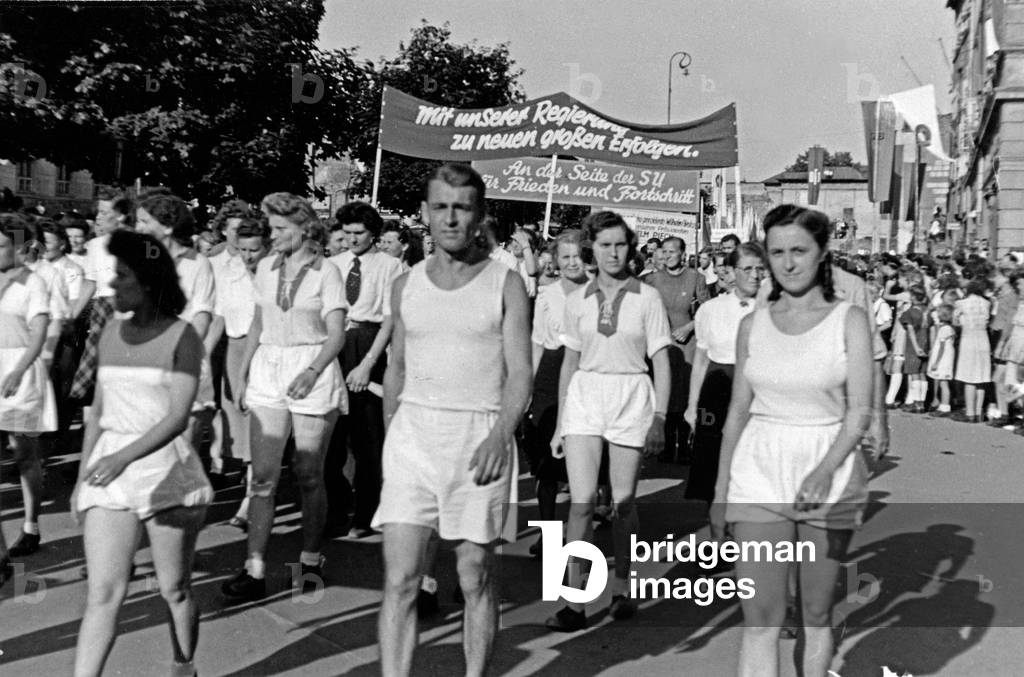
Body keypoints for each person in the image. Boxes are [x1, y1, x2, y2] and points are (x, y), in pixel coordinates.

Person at [374, 164, 531, 677]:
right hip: (413, 439)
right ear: (424, 213)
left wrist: (500, 435)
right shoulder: (405, 284)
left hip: (479, 437)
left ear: (479, 214)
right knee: (400, 580)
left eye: (461, 208)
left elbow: (520, 373)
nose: (450, 218)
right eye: (440, 207)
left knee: (473, 575)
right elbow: (396, 366)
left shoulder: (506, 284)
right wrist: (392, 436)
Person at [713, 204, 873, 677]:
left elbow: (858, 412)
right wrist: (722, 490)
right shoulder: (752, 325)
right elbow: (737, 411)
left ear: (822, 253)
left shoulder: (849, 320)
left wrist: (824, 472)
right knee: (760, 617)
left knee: (815, 612)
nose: (787, 263)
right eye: (777, 252)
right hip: (759, 467)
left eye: (799, 251)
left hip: (828, 464)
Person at [73, 230, 212, 677]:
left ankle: (183, 667)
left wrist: (122, 458)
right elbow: (98, 412)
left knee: (174, 588)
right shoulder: (111, 332)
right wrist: (82, 477)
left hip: (165, 469)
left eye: (123, 276)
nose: (112, 284)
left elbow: (177, 417)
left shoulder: (183, 336)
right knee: (103, 593)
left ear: (150, 282)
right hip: (109, 471)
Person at [547, 210, 671, 631]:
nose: (613, 253)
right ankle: (574, 602)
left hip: (631, 394)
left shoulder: (647, 298)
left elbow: (661, 360)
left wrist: (659, 417)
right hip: (586, 395)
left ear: (630, 248)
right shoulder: (576, 300)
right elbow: (569, 362)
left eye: (620, 244)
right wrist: (561, 422)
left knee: (622, 503)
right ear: (592, 250)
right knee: (581, 503)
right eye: (604, 245)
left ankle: (622, 587)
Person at [221, 192, 347, 601]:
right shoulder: (265, 268)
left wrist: (312, 371)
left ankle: (310, 561)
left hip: (312, 366)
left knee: (308, 473)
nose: (271, 236)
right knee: (262, 477)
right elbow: (258, 324)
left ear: (304, 228)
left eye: (279, 229)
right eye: (269, 228)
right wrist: (242, 374)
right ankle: (254, 569)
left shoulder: (327, 271)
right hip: (268, 368)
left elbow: (337, 335)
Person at [326, 201, 404, 538]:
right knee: (332, 434)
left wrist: (367, 363)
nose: (353, 239)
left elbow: (389, 319)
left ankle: (365, 513)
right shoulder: (332, 264)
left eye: (359, 233)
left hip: (368, 343)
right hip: (335, 342)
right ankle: (336, 507)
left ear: (373, 233)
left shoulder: (390, 266)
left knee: (366, 435)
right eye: (347, 233)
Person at [134, 192, 219, 472]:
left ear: (168, 226)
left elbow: (203, 314)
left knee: (183, 455)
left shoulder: (198, 263)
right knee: (149, 456)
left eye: (145, 221)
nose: (138, 228)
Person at [683, 242, 764, 505]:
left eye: (760, 269)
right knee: (713, 460)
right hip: (717, 388)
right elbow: (701, 359)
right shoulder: (711, 310)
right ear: (731, 271)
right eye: (747, 269)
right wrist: (692, 406)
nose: (755, 275)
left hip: (756, 390)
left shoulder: (773, 308)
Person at [524, 229, 589, 556]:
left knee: (583, 465)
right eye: (565, 257)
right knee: (546, 465)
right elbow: (537, 342)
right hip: (550, 375)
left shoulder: (598, 291)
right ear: (556, 261)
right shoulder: (546, 294)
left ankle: (581, 538)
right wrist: (529, 388)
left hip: (587, 372)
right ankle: (548, 535)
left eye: (577, 255)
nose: (572, 262)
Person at [0, 214, 58, 560]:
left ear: (21, 248)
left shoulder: (33, 282)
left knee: (23, 453)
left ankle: (31, 526)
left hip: (19, 370)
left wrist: (18, 371)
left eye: (2, 246)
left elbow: (39, 334)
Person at [212, 217, 270, 530]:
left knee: (257, 426)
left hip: (262, 351)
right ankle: (251, 493)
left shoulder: (273, 275)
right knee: (240, 426)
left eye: (254, 250)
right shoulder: (230, 272)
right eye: (243, 249)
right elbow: (219, 318)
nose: (248, 256)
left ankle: (251, 500)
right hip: (234, 352)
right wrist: (202, 356)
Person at [644, 236, 709, 462]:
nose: (668, 256)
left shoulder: (696, 278)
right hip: (661, 343)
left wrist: (689, 326)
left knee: (684, 392)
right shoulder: (652, 279)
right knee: (665, 390)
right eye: (665, 251)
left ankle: (685, 448)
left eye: (673, 252)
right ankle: (666, 445)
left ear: (683, 254)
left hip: (686, 344)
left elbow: (707, 310)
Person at [69, 189, 134, 405]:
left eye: (104, 212)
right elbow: (90, 283)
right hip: (102, 304)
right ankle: (78, 398)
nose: (98, 217)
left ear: (121, 216)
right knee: (93, 354)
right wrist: (72, 315)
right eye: (98, 212)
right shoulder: (95, 245)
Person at [952, 276, 993, 423]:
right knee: (981, 377)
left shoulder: (961, 303)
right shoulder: (987, 303)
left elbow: (955, 321)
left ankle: (969, 413)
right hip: (983, 340)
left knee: (968, 377)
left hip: (968, 339)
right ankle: (978, 411)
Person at [898, 285, 931, 413]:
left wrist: (916, 347)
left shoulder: (910, 312)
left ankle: (916, 403)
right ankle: (922, 403)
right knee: (922, 373)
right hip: (926, 345)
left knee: (914, 374)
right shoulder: (927, 312)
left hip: (913, 346)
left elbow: (910, 331)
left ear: (912, 297)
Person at [927, 303, 957, 415]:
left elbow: (942, 348)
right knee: (943, 383)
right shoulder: (950, 328)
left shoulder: (944, 329)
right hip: (947, 358)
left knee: (943, 383)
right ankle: (943, 405)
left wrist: (936, 362)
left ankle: (945, 407)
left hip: (943, 360)